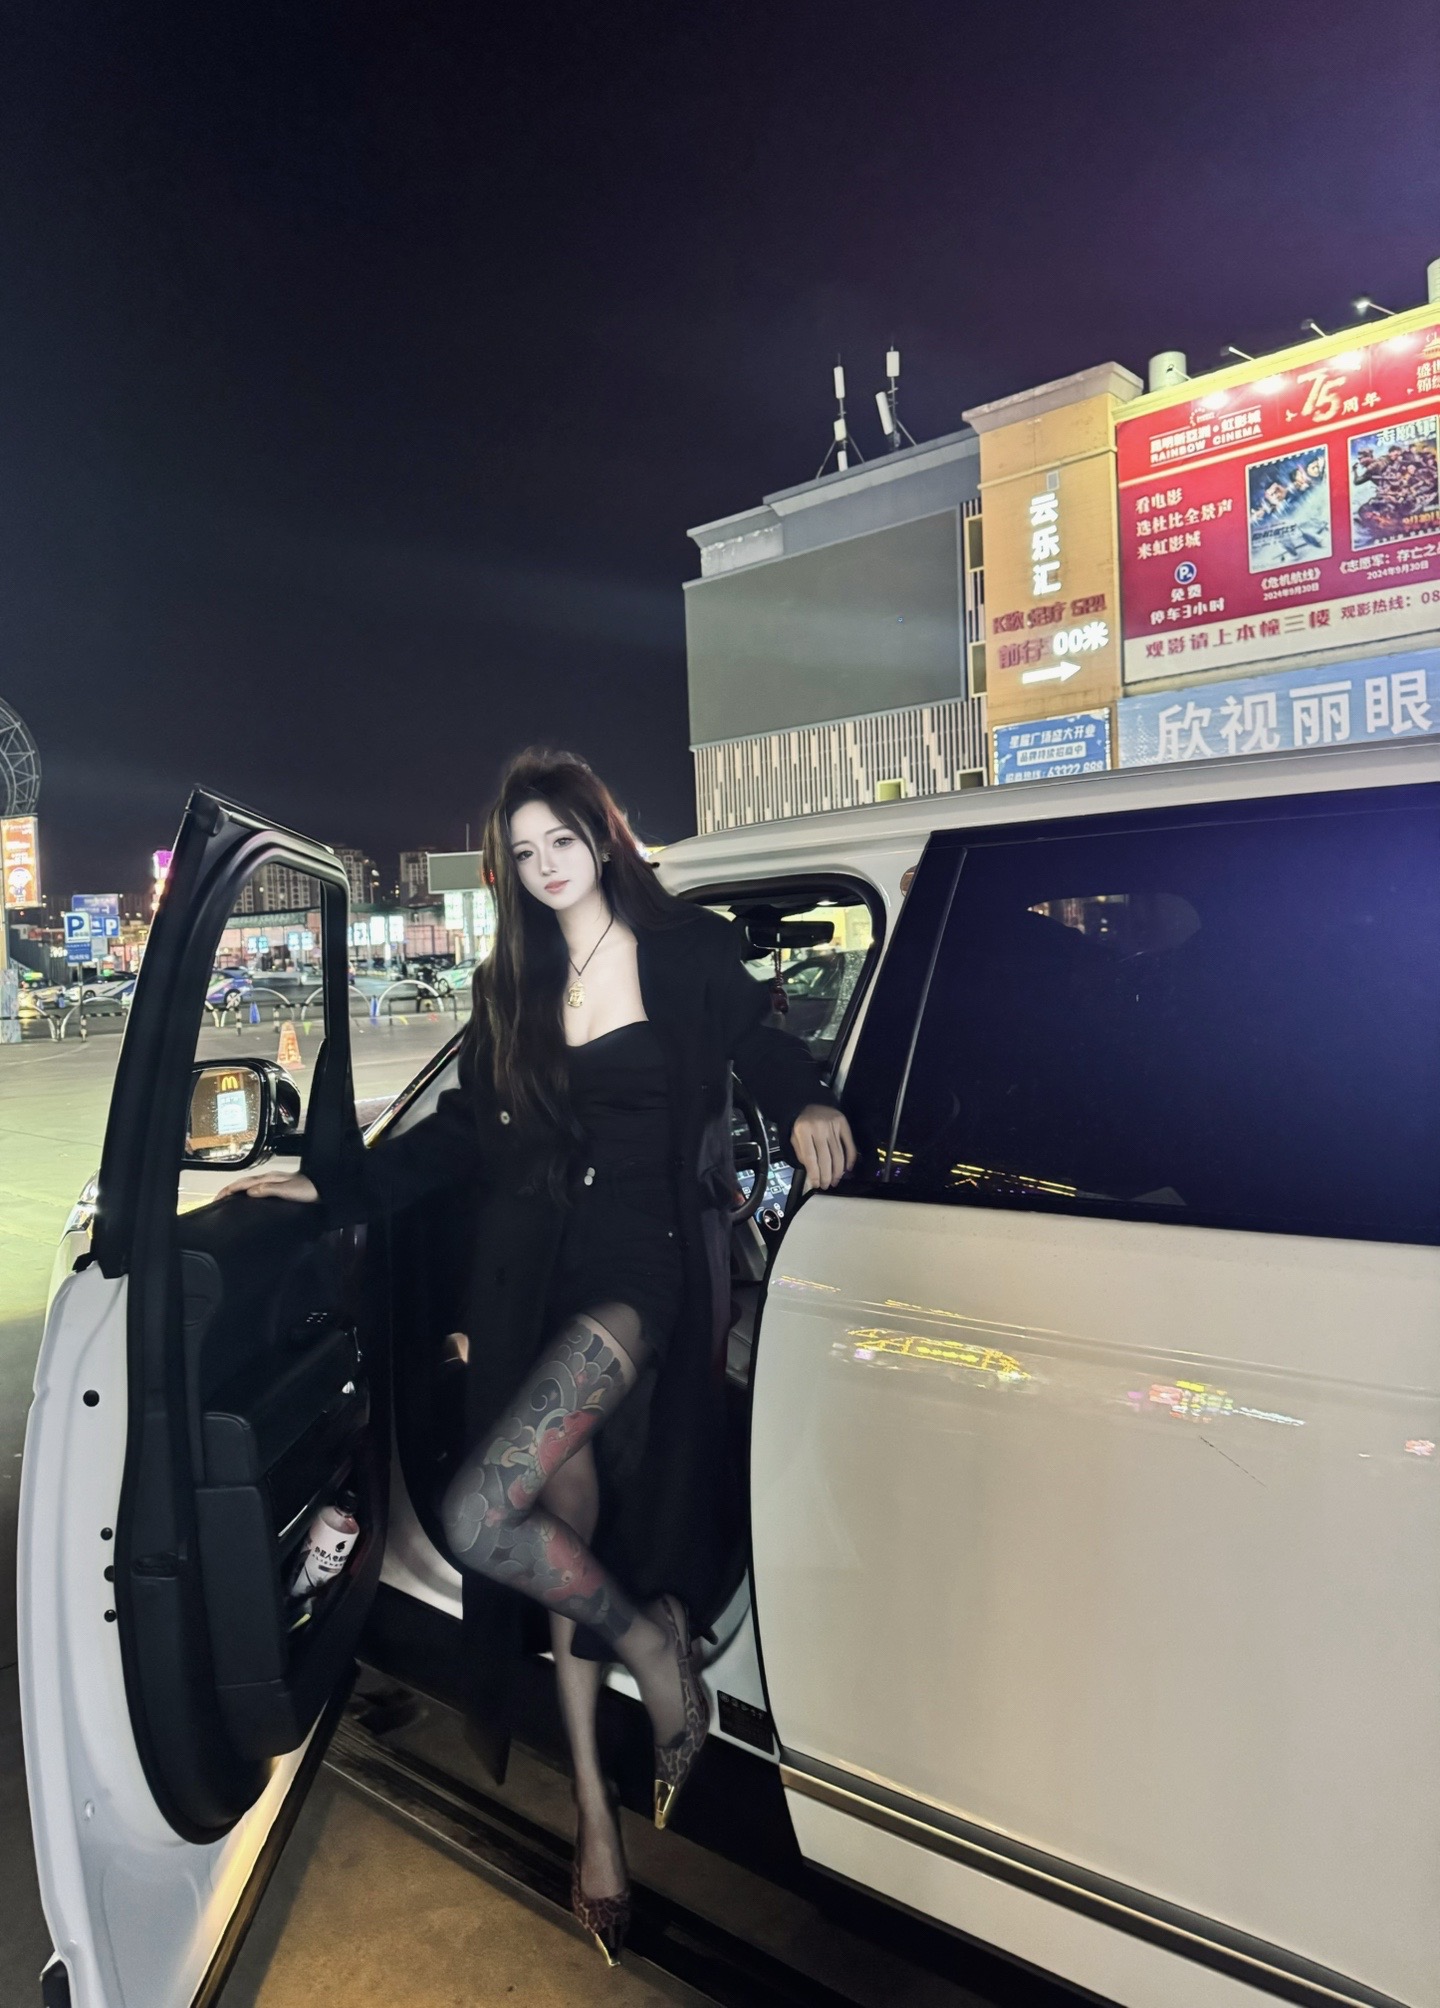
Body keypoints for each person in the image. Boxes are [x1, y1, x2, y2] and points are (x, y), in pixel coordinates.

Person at [221, 747, 856, 1966]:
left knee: (477, 1512)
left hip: (644, 1273)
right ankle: (596, 1817)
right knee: (562, 1523)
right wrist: (326, 1184)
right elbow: (458, 1133)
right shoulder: (510, 984)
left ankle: (656, 1654)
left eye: (561, 838)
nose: (546, 864)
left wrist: (811, 1102)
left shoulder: (682, 951)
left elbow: (762, 1043)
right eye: (523, 852)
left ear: (601, 835)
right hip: (540, 1281)